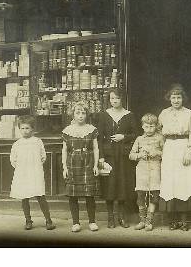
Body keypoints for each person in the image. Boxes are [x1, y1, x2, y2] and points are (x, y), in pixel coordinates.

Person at [159, 84, 191, 231]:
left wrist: (189, 150)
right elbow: (159, 133)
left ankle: (185, 220)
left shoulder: (189, 113)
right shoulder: (164, 113)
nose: (176, 100)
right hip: (169, 147)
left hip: (184, 147)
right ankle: (173, 219)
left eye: (179, 97)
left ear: (183, 98)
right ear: (169, 99)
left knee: (185, 183)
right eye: (173, 97)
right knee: (171, 183)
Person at [97, 89, 141, 228]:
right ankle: (110, 217)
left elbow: (136, 134)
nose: (114, 101)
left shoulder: (129, 115)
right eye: (112, 99)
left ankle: (122, 216)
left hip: (123, 155)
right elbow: (99, 137)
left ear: (122, 99)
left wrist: (124, 137)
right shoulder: (104, 115)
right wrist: (101, 157)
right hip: (109, 155)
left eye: (117, 98)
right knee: (109, 186)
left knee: (122, 185)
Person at [10, 115, 55, 231]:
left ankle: (48, 220)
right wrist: (22, 168)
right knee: (24, 197)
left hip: (35, 172)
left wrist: (35, 166)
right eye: (22, 128)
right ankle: (28, 220)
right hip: (23, 173)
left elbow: (43, 157)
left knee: (40, 195)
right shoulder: (17, 144)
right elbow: (13, 160)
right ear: (19, 129)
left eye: (27, 128)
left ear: (32, 129)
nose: (25, 131)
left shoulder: (37, 142)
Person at [62, 101, 100, 232]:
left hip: (88, 162)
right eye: (77, 113)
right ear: (72, 114)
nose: (80, 115)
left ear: (86, 115)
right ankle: (76, 222)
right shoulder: (67, 131)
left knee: (89, 195)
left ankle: (92, 221)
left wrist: (95, 165)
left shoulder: (91, 129)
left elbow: (95, 148)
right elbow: (64, 150)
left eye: (83, 113)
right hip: (72, 163)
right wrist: (64, 167)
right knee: (73, 195)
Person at [129, 113, 164, 231]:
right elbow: (131, 155)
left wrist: (158, 153)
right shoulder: (139, 139)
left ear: (156, 126)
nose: (149, 129)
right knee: (141, 195)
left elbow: (166, 153)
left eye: (152, 126)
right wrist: (139, 155)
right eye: (146, 126)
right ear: (142, 127)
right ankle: (142, 220)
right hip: (142, 170)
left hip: (155, 169)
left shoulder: (160, 138)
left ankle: (149, 221)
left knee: (154, 195)